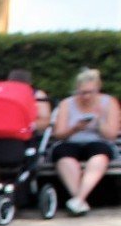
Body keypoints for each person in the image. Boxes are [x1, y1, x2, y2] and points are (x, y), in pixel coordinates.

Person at [48, 67, 118, 215]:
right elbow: (59, 135)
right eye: (82, 92)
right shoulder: (67, 104)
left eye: (90, 92)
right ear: (77, 90)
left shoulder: (109, 102)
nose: (86, 96)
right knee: (63, 154)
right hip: (71, 141)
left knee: (100, 154)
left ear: (98, 89)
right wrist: (75, 128)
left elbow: (111, 135)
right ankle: (79, 200)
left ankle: (79, 199)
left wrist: (99, 120)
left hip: (99, 142)